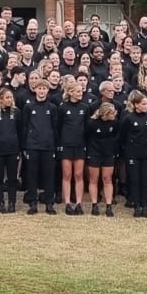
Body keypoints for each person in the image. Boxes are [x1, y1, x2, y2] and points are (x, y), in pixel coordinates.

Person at [0, 88, 23, 213]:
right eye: (7, 97)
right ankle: (0, 202)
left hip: (13, 150)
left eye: (11, 97)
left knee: (12, 178)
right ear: (0, 98)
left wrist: (20, 148)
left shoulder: (17, 112)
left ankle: (12, 202)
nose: (10, 100)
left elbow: (20, 130)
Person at [56, 81, 88, 215]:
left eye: (81, 91)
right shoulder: (63, 107)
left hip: (80, 145)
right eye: (77, 91)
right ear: (70, 92)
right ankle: (68, 202)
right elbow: (58, 126)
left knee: (79, 174)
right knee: (67, 174)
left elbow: (86, 126)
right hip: (66, 145)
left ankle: (79, 203)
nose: (80, 93)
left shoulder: (85, 107)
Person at [121, 89, 147, 217]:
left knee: (145, 180)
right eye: (143, 104)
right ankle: (136, 205)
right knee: (134, 179)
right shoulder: (128, 118)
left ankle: (145, 205)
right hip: (132, 154)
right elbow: (122, 136)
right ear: (136, 105)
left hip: (146, 154)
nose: (146, 106)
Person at [85, 102, 119, 217]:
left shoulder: (114, 122)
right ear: (105, 113)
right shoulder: (92, 123)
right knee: (94, 179)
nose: (114, 114)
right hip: (94, 153)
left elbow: (116, 136)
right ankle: (94, 205)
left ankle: (109, 206)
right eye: (112, 113)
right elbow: (86, 136)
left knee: (107, 179)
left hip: (108, 154)